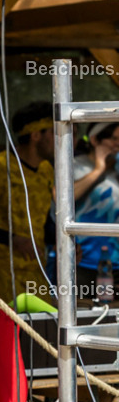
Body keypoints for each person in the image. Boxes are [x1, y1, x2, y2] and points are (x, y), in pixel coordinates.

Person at [0, 101, 56, 300]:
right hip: (0, 271)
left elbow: (42, 217)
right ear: (36, 135)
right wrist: (12, 239)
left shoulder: (46, 169)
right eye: (54, 133)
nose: (63, 139)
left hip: (35, 269)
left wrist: (61, 242)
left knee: (44, 326)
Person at [72, 121, 119, 297]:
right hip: (85, 261)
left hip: (115, 261)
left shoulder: (116, 168)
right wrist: (99, 169)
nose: (117, 144)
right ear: (94, 140)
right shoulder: (76, 165)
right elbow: (63, 196)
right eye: (113, 138)